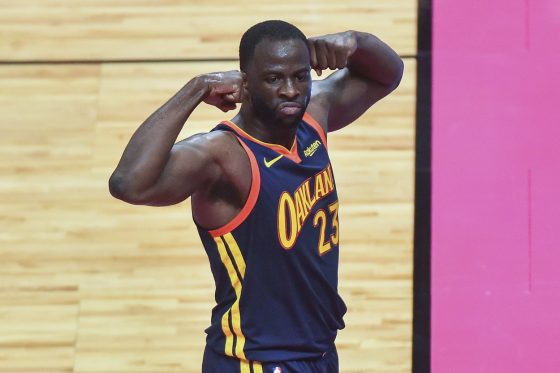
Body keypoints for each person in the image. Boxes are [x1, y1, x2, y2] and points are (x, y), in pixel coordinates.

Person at [109, 20, 403, 373]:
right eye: (274, 79)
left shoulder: (313, 118)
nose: (291, 90)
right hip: (255, 361)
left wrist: (358, 42)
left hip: (319, 353)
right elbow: (129, 182)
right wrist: (197, 88)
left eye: (299, 76)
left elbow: (387, 75)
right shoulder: (222, 154)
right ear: (244, 83)